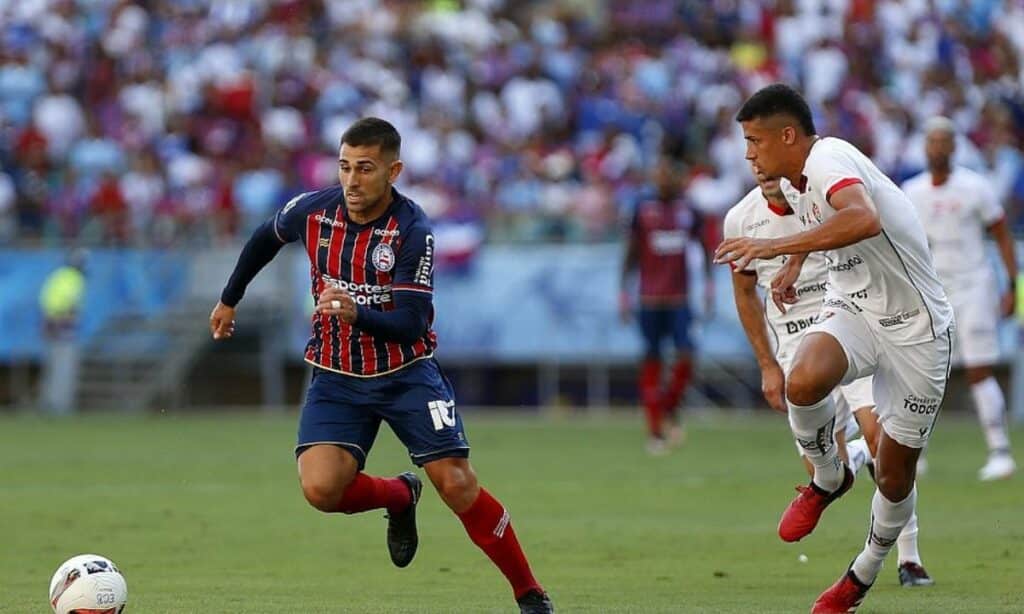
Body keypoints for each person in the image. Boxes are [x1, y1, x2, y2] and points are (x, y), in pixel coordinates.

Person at [209, 118, 553, 614]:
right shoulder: (314, 210)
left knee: (456, 483)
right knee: (321, 489)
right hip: (336, 374)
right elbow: (266, 236)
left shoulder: (414, 231)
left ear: (393, 171)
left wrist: (356, 310)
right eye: (345, 166)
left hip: (406, 373)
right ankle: (398, 496)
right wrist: (229, 298)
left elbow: (412, 323)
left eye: (365, 169)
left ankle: (530, 593)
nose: (351, 180)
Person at [715, 84, 954, 613]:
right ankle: (829, 478)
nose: (749, 154)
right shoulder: (796, 181)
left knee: (894, 476)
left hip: (916, 328)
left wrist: (774, 248)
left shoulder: (828, 158)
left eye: (755, 141)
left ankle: (863, 572)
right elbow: (823, 224)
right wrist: (795, 265)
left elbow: (862, 217)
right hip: (856, 309)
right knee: (802, 380)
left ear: (787, 135)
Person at [902, 116, 1017, 481]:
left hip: (974, 285)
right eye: (931, 142)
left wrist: (1013, 284)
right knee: (923, 371)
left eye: (943, 142)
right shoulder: (912, 191)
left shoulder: (975, 187)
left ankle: (1000, 450)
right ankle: (913, 452)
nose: (937, 148)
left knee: (979, 368)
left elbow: (1001, 235)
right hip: (934, 291)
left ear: (953, 146)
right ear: (925, 147)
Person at [620, 156, 713, 455]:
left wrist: (709, 285)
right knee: (651, 359)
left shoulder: (688, 210)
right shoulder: (642, 211)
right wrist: (624, 292)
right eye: (657, 176)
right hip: (649, 299)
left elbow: (703, 245)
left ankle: (667, 406)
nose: (662, 181)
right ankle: (655, 430)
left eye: (666, 175)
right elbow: (631, 253)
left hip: (679, 298)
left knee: (687, 355)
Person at [39, 248, 87, 415]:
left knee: (53, 366)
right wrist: (63, 318)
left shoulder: (58, 275)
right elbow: (70, 306)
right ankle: (60, 405)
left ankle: (49, 402)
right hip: (64, 328)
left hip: (51, 325)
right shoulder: (75, 279)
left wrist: (49, 320)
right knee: (64, 368)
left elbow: (46, 300)